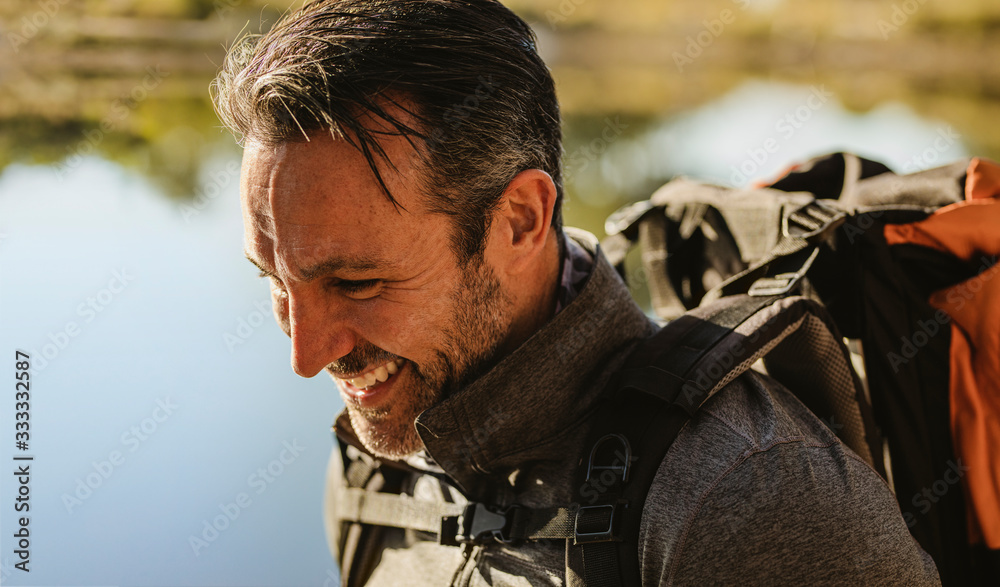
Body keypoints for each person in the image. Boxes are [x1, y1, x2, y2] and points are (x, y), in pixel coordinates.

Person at [212, 0, 942, 584]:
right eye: (276, 281)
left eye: (357, 281)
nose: (307, 356)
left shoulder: (754, 501)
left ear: (521, 219)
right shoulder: (379, 460)